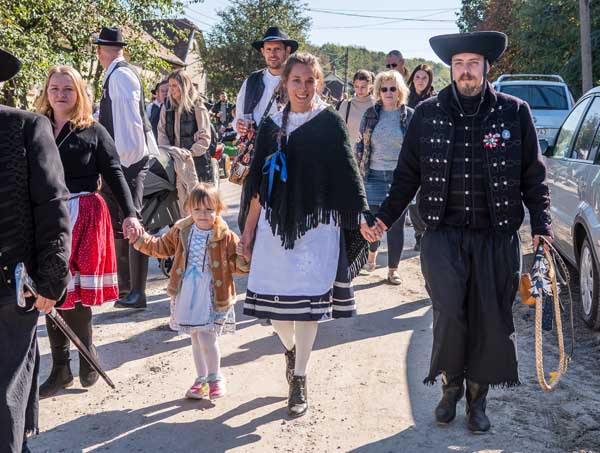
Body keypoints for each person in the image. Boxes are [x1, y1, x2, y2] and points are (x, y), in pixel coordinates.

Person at [361, 31, 553, 433]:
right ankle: (450, 388)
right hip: (442, 234)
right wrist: (383, 218)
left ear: (486, 67)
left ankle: (478, 400)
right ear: (451, 69)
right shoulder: (427, 113)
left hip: (496, 235)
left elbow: (533, 175)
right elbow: (407, 176)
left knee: (490, 317)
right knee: (449, 313)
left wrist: (542, 226)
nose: (466, 71)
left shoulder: (514, 112)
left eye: (473, 64)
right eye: (460, 64)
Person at [238, 53, 369, 418]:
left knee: (308, 308)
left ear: (319, 83)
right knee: (277, 311)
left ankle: (299, 377)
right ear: (285, 83)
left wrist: (362, 217)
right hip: (274, 227)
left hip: (318, 228)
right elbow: (257, 184)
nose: (303, 87)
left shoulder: (329, 123)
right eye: (296, 80)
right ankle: (291, 350)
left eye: (310, 81)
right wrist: (247, 231)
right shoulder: (270, 126)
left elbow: (347, 174)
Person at [35, 65, 141, 397]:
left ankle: (87, 353)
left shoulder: (93, 130)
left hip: (84, 214)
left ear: (79, 92)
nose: (61, 94)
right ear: (46, 91)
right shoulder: (36, 126)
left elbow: (114, 173)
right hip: (46, 216)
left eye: (68, 88)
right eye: (55, 88)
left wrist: (130, 214)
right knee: (51, 289)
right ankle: (60, 368)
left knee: (75, 292)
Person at [0, 48, 71, 453]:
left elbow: (52, 204)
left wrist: (52, 277)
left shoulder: (26, 126)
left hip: (12, 285)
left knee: (6, 389)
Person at [128, 183, 248, 400]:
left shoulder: (226, 236)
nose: (203, 215)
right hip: (187, 293)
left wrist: (244, 256)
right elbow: (160, 247)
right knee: (195, 338)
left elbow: (237, 267)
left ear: (218, 209)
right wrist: (139, 239)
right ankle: (201, 379)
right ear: (189, 209)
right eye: (197, 209)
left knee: (207, 337)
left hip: (212, 295)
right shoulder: (181, 230)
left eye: (209, 209)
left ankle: (215, 377)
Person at [95, 26, 157, 310]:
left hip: (127, 161)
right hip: (122, 161)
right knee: (121, 223)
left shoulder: (120, 77)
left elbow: (130, 127)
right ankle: (126, 287)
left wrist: (120, 165)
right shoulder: (118, 74)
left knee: (133, 219)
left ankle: (137, 292)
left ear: (100, 51)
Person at [233, 26, 298, 231]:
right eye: (268, 49)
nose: (272, 54)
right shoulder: (252, 81)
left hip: (285, 153)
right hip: (255, 152)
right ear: (262, 52)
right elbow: (239, 117)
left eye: (277, 49)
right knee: (249, 207)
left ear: (287, 50)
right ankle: (248, 246)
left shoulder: (295, 80)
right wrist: (239, 125)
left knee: (280, 207)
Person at [355, 70, 413, 285]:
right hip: (373, 175)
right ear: (378, 91)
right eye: (384, 88)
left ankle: (393, 270)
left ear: (400, 90)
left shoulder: (410, 115)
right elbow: (360, 146)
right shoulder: (370, 114)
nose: (388, 92)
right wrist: (358, 173)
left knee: (396, 225)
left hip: (400, 179)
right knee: (373, 221)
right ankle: (371, 257)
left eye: (393, 88)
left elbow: (416, 150)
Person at [157, 69, 213, 183]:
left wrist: (190, 153)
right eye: (170, 86)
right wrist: (168, 152)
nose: (171, 89)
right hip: (172, 163)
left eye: (174, 85)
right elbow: (161, 131)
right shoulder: (166, 106)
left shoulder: (198, 105)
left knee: (195, 194)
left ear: (184, 86)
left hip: (195, 163)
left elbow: (205, 138)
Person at [406, 64, 437, 251]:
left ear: (429, 80)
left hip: (430, 154)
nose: (420, 81)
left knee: (427, 196)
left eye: (424, 77)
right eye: (417, 77)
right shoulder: (404, 99)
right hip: (409, 153)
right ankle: (419, 235)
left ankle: (428, 232)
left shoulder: (436, 101)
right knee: (412, 199)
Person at [337, 69, 375, 147]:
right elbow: (338, 131)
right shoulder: (346, 105)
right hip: (349, 151)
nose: (359, 90)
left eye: (363, 87)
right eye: (356, 86)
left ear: (371, 86)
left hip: (371, 152)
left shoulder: (377, 105)